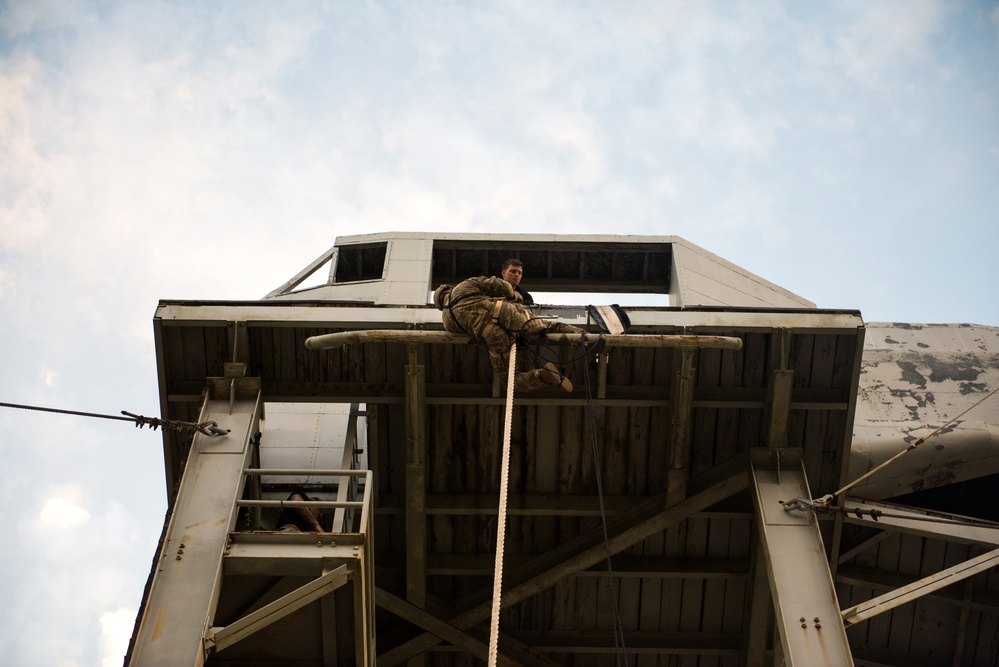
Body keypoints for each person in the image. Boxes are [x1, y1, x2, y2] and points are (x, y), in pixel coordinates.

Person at [434, 276, 584, 393]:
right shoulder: (464, 285)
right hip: (509, 315)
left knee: (511, 382)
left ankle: (542, 375)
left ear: (440, 305)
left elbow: (472, 337)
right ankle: (588, 338)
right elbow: (500, 285)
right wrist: (514, 296)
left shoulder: (447, 321)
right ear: (449, 288)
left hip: (493, 336)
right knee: (551, 327)